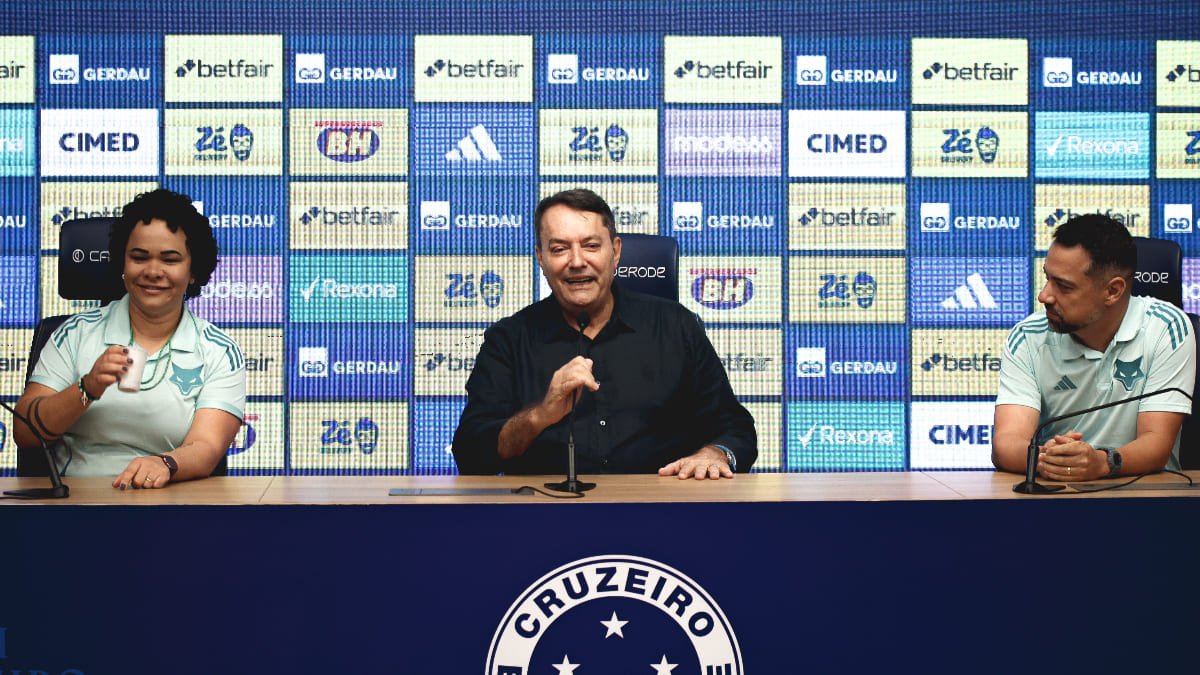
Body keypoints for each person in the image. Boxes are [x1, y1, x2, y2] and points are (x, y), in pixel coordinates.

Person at [452, 189, 757, 479]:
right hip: (548, 518)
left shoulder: (676, 326)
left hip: (661, 514)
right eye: (559, 249)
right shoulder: (508, 339)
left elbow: (736, 428)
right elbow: (470, 454)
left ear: (616, 251)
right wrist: (540, 415)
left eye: (591, 246)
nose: (576, 261)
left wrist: (716, 453)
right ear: (541, 259)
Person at [13, 189, 245, 488]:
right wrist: (87, 387)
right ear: (122, 264)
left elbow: (206, 448)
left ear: (193, 271)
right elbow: (24, 431)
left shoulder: (217, 350)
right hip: (75, 504)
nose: (152, 271)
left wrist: (164, 464)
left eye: (170, 259)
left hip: (170, 502)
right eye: (139, 257)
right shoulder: (74, 333)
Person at [993, 214, 1195, 480]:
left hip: (1148, 497)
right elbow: (1006, 443)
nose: (1044, 295)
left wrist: (1102, 463)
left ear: (1113, 291)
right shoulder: (1027, 337)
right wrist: (1049, 460)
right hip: (1055, 496)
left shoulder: (1167, 327)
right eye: (1047, 278)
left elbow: (1156, 443)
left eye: (1063, 286)